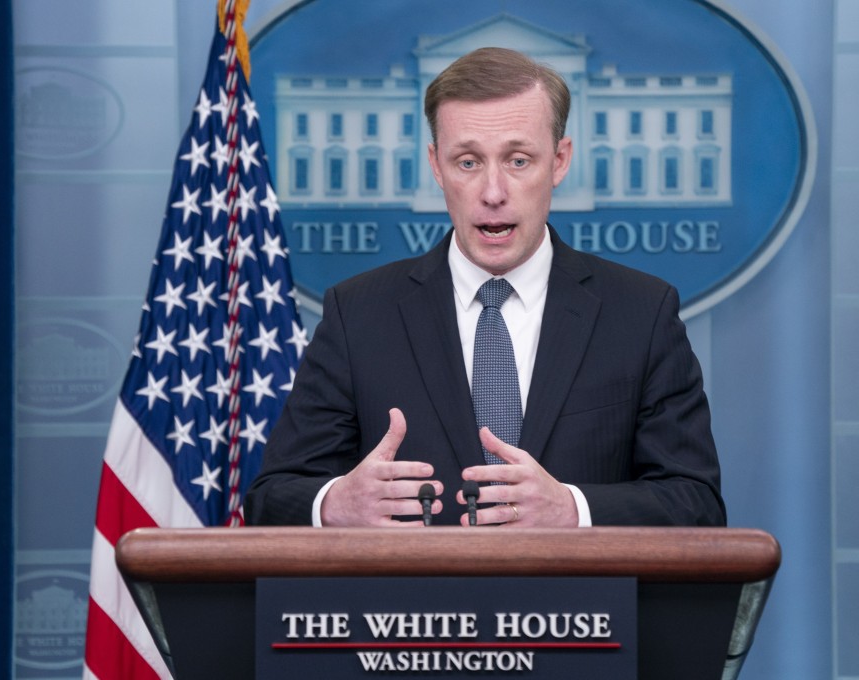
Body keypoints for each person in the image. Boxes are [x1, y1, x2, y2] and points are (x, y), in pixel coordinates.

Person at [244, 47, 725, 528]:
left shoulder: (641, 313)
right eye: (468, 162)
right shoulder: (359, 314)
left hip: (582, 602)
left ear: (559, 161)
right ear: (436, 165)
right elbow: (272, 498)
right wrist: (336, 503)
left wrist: (573, 510)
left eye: (518, 161)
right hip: (409, 603)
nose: (493, 193)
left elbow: (697, 505)